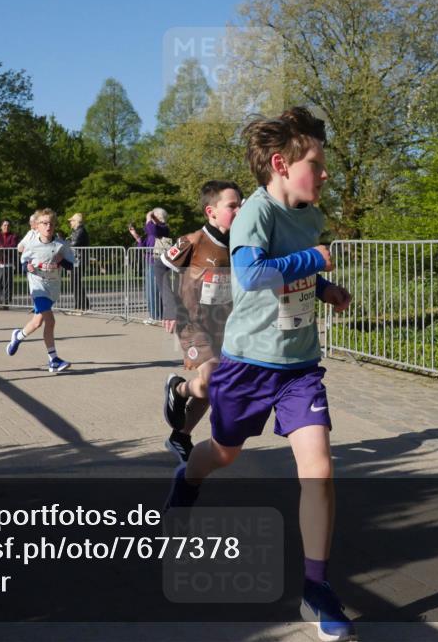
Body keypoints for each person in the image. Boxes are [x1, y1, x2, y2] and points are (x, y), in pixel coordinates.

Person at [164, 108, 354, 641]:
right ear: (281, 164)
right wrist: (313, 262)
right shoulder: (255, 213)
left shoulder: (311, 217)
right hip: (248, 363)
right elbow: (251, 274)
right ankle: (187, 479)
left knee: (319, 469)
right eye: (315, 163)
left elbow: (295, 272)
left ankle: (316, 588)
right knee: (224, 453)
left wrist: (325, 290)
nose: (324, 174)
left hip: (299, 367)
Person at [158, 181, 243, 463]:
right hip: (191, 322)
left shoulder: (240, 243)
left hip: (223, 325)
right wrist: (169, 307)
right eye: (232, 206)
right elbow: (159, 267)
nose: (238, 211)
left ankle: (180, 436)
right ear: (211, 211)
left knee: (213, 386)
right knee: (212, 380)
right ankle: (178, 389)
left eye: (241, 205)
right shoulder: (193, 241)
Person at [6, 208, 75, 373]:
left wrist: (61, 261)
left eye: (51, 223)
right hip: (37, 287)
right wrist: (27, 267)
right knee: (50, 321)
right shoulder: (31, 244)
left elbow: (72, 266)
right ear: (37, 225)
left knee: (37, 323)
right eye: (44, 223)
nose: (48, 226)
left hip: (53, 288)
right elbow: (23, 262)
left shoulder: (61, 245)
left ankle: (18, 336)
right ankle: (54, 359)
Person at [128, 208, 170, 321]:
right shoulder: (154, 232)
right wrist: (135, 235)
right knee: (150, 290)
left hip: (158, 263)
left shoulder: (163, 228)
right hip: (150, 262)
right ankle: (154, 316)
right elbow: (144, 245)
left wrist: (148, 217)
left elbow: (151, 230)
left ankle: (157, 317)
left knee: (155, 290)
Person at [0, 219, 19, 309]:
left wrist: (1, 247)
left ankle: (6, 303)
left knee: (7, 284)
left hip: (7, 264)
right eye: (5, 225)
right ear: (1, 227)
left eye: (8, 225)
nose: (6, 227)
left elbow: (13, 245)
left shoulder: (13, 236)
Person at [66, 212, 91, 311]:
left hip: (79, 260)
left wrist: (64, 243)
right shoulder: (77, 231)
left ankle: (81, 306)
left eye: (72, 221)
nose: (70, 223)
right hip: (76, 260)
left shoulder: (80, 231)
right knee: (75, 283)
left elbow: (74, 244)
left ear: (76, 221)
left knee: (76, 283)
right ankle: (82, 305)